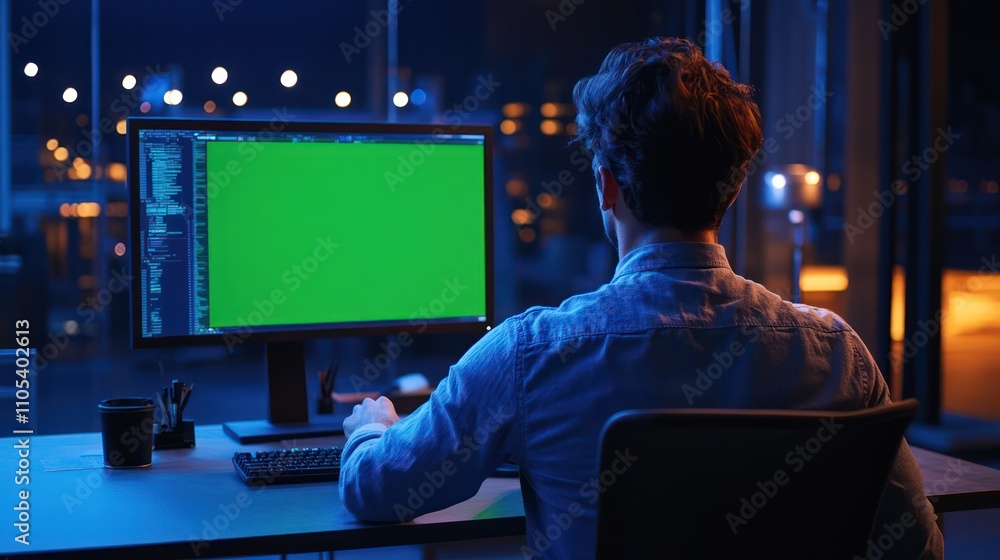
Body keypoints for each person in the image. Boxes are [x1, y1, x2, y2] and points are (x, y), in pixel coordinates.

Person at [338, 37, 943, 559]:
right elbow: (917, 547)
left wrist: (373, 425)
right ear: (730, 196)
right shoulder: (836, 352)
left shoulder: (529, 354)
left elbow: (378, 491)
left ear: (606, 186)